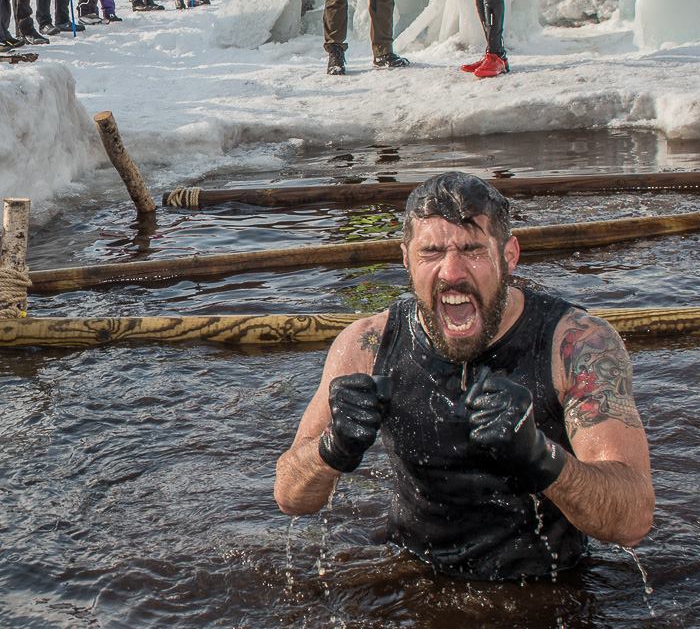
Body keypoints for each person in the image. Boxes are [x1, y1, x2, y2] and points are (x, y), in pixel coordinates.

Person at [274, 172, 655, 580]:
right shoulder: (366, 345)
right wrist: (333, 449)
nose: (451, 272)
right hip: (415, 573)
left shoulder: (576, 344)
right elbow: (290, 497)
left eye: (472, 250)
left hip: (545, 585)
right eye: (431, 252)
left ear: (509, 255)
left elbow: (632, 520)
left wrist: (539, 456)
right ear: (406, 258)